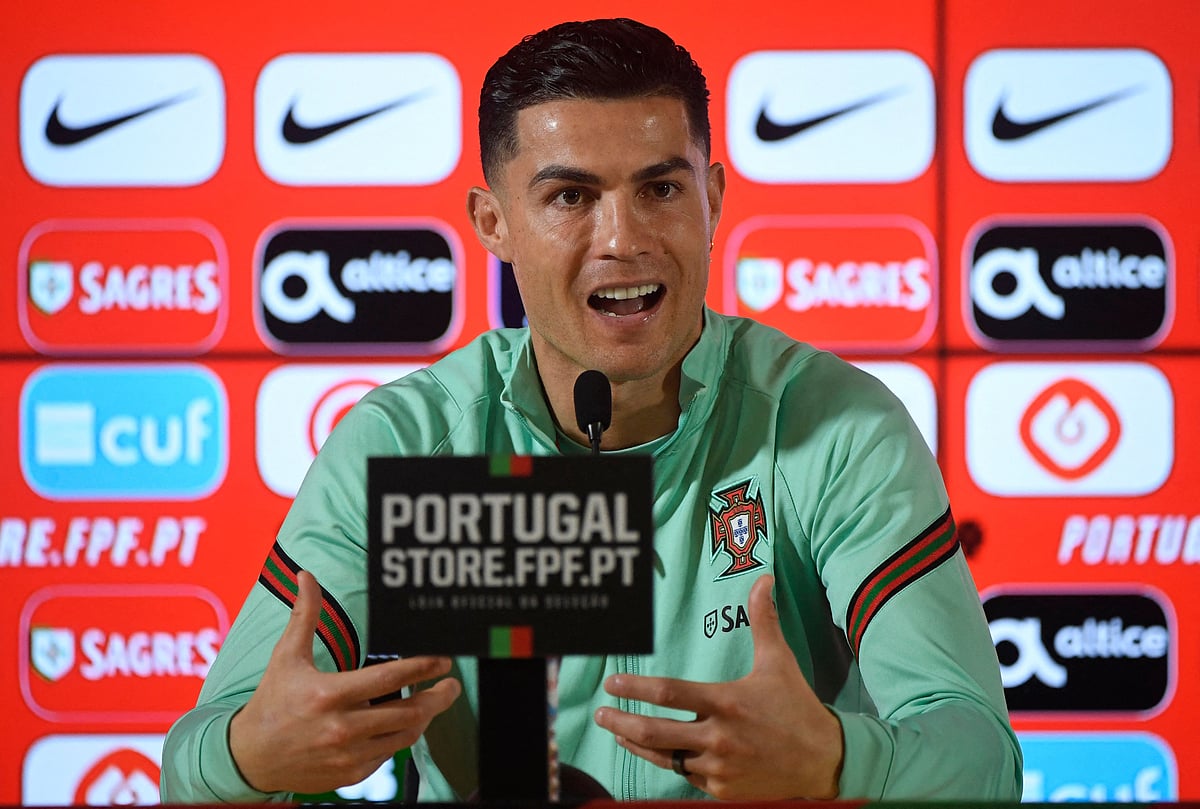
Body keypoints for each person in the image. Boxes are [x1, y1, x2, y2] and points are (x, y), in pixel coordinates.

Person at [161, 17, 1022, 802]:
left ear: (714, 198)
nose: (624, 238)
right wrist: (252, 757)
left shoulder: (834, 428)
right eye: (571, 196)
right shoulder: (407, 446)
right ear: (492, 222)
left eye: (661, 189)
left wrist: (838, 762)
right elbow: (190, 767)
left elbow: (981, 756)